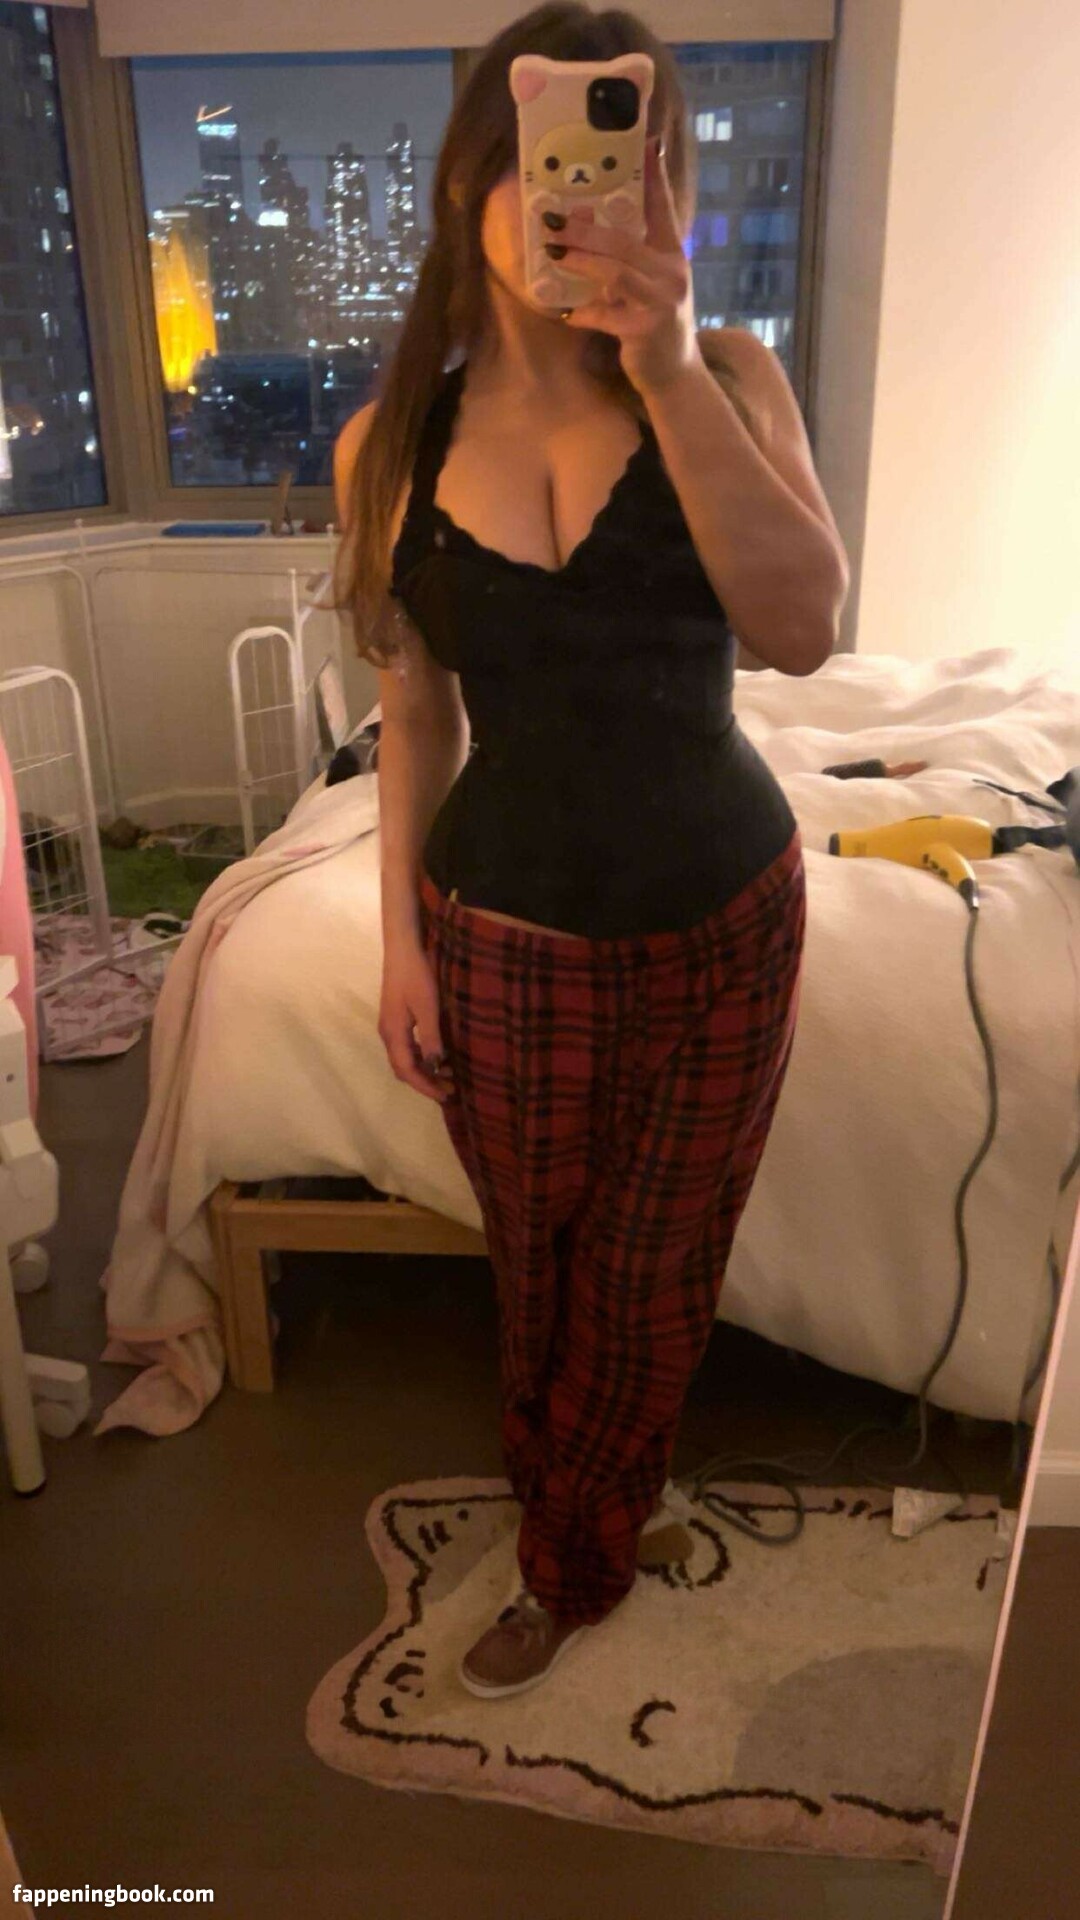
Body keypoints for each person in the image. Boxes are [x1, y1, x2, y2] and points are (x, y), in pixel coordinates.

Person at [332, 3, 849, 1702]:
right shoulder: (390, 446)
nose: (600, 197)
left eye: (646, 160)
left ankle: (570, 1563)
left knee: (655, 1277)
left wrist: (674, 368)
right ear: (476, 179)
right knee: (542, 1274)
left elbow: (802, 634)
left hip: (728, 923)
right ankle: (589, 1509)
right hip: (504, 943)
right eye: (557, 159)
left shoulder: (732, 375)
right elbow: (416, 710)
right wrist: (399, 947)